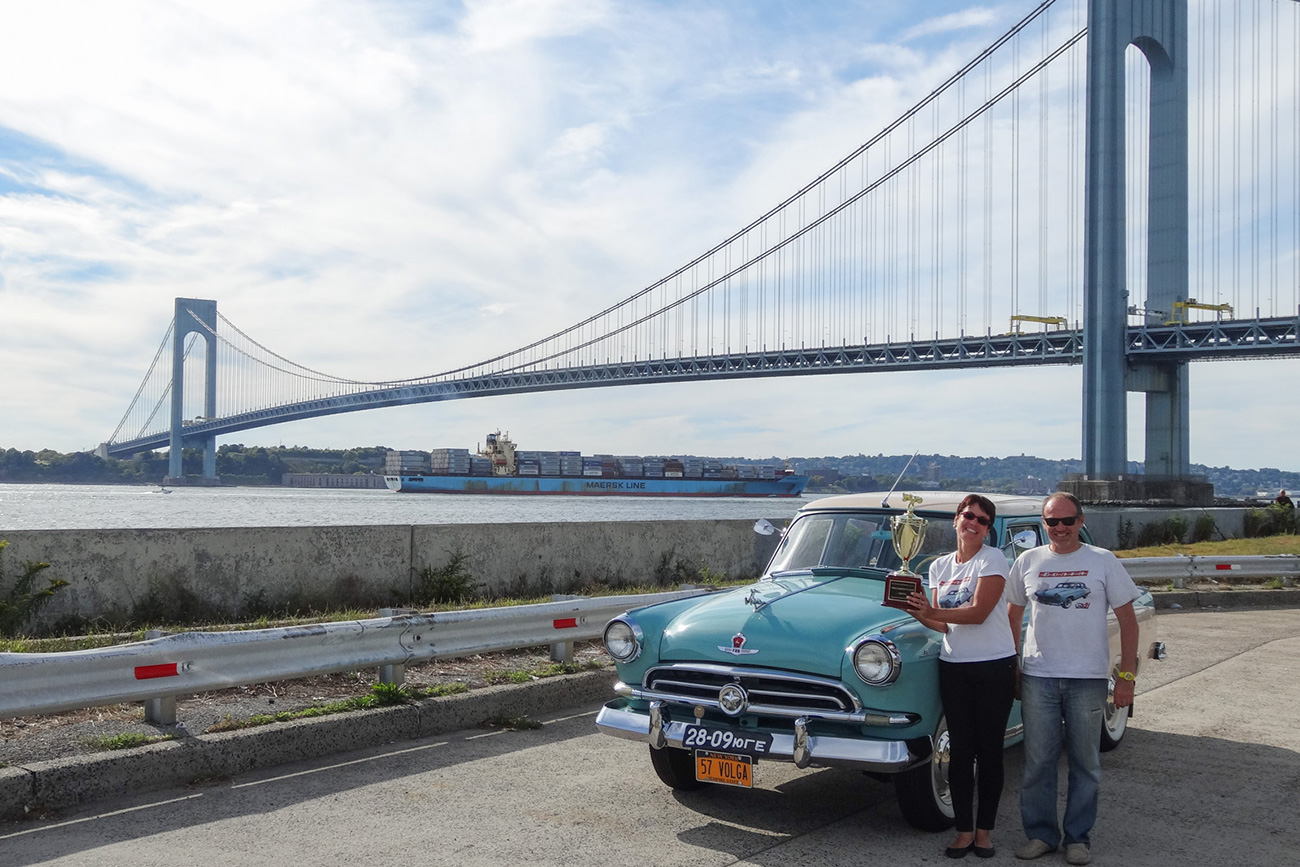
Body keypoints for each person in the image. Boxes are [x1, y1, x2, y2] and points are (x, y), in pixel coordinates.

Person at [1006, 492, 1139, 866]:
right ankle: (1041, 835)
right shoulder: (1027, 561)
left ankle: (1078, 838)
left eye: (1067, 521)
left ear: (1081, 522)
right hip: (1039, 676)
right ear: (1043, 523)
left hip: (1088, 677)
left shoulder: (1102, 561)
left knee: (1085, 763)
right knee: (1037, 763)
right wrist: (1013, 666)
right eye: (1052, 522)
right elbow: (1013, 615)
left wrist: (1126, 677)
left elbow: (1128, 622)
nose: (1060, 528)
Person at [904, 494, 1017, 860]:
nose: (973, 523)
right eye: (968, 515)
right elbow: (941, 624)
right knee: (959, 751)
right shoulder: (938, 567)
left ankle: (985, 833)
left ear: (988, 530)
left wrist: (933, 608)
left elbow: (980, 612)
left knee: (988, 753)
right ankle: (963, 832)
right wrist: (915, 610)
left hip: (994, 665)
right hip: (954, 665)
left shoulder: (993, 559)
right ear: (955, 520)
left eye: (982, 520)